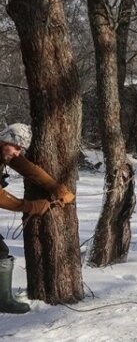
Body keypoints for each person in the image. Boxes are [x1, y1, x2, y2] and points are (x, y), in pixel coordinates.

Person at [0, 123, 75, 314]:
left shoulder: (6, 153)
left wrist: (57, 188)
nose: (17, 153)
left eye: (21, 149)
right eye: (16, 147)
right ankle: (4, 301)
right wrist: (31, 206)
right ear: (5, 140)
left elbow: (30, 170)